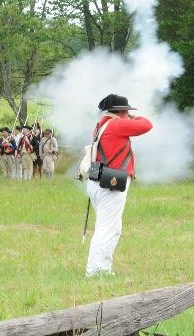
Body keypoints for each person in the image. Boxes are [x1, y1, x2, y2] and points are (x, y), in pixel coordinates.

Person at [86, 94, 153, 277]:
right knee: (107, 228)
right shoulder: (117, 124)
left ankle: (103, 268)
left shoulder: (102, 123)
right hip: (112, 183)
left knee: (111, 227)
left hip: (100, 180)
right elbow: (146, 124)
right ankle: (96, 270)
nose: (128, 114)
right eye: (127, 111)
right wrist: (131, 118)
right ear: (122, 111)